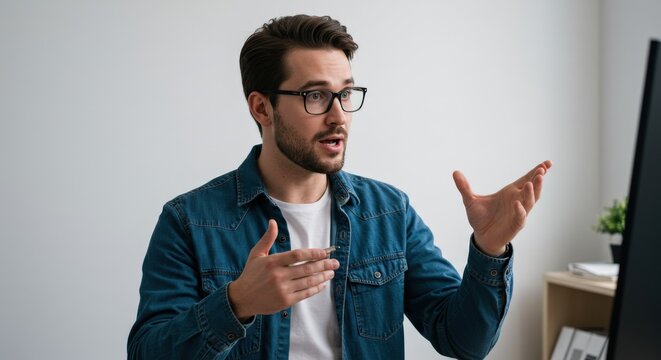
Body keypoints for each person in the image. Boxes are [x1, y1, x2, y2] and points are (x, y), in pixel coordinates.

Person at [127, 14, 552, 360]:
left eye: (346, 94)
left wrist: (489, 251)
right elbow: (147, 353)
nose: (339, 117)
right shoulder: (189, 221)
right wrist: (235, 304)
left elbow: (464, 341)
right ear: (262, 108)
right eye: (315, 96)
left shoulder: (389, 211)